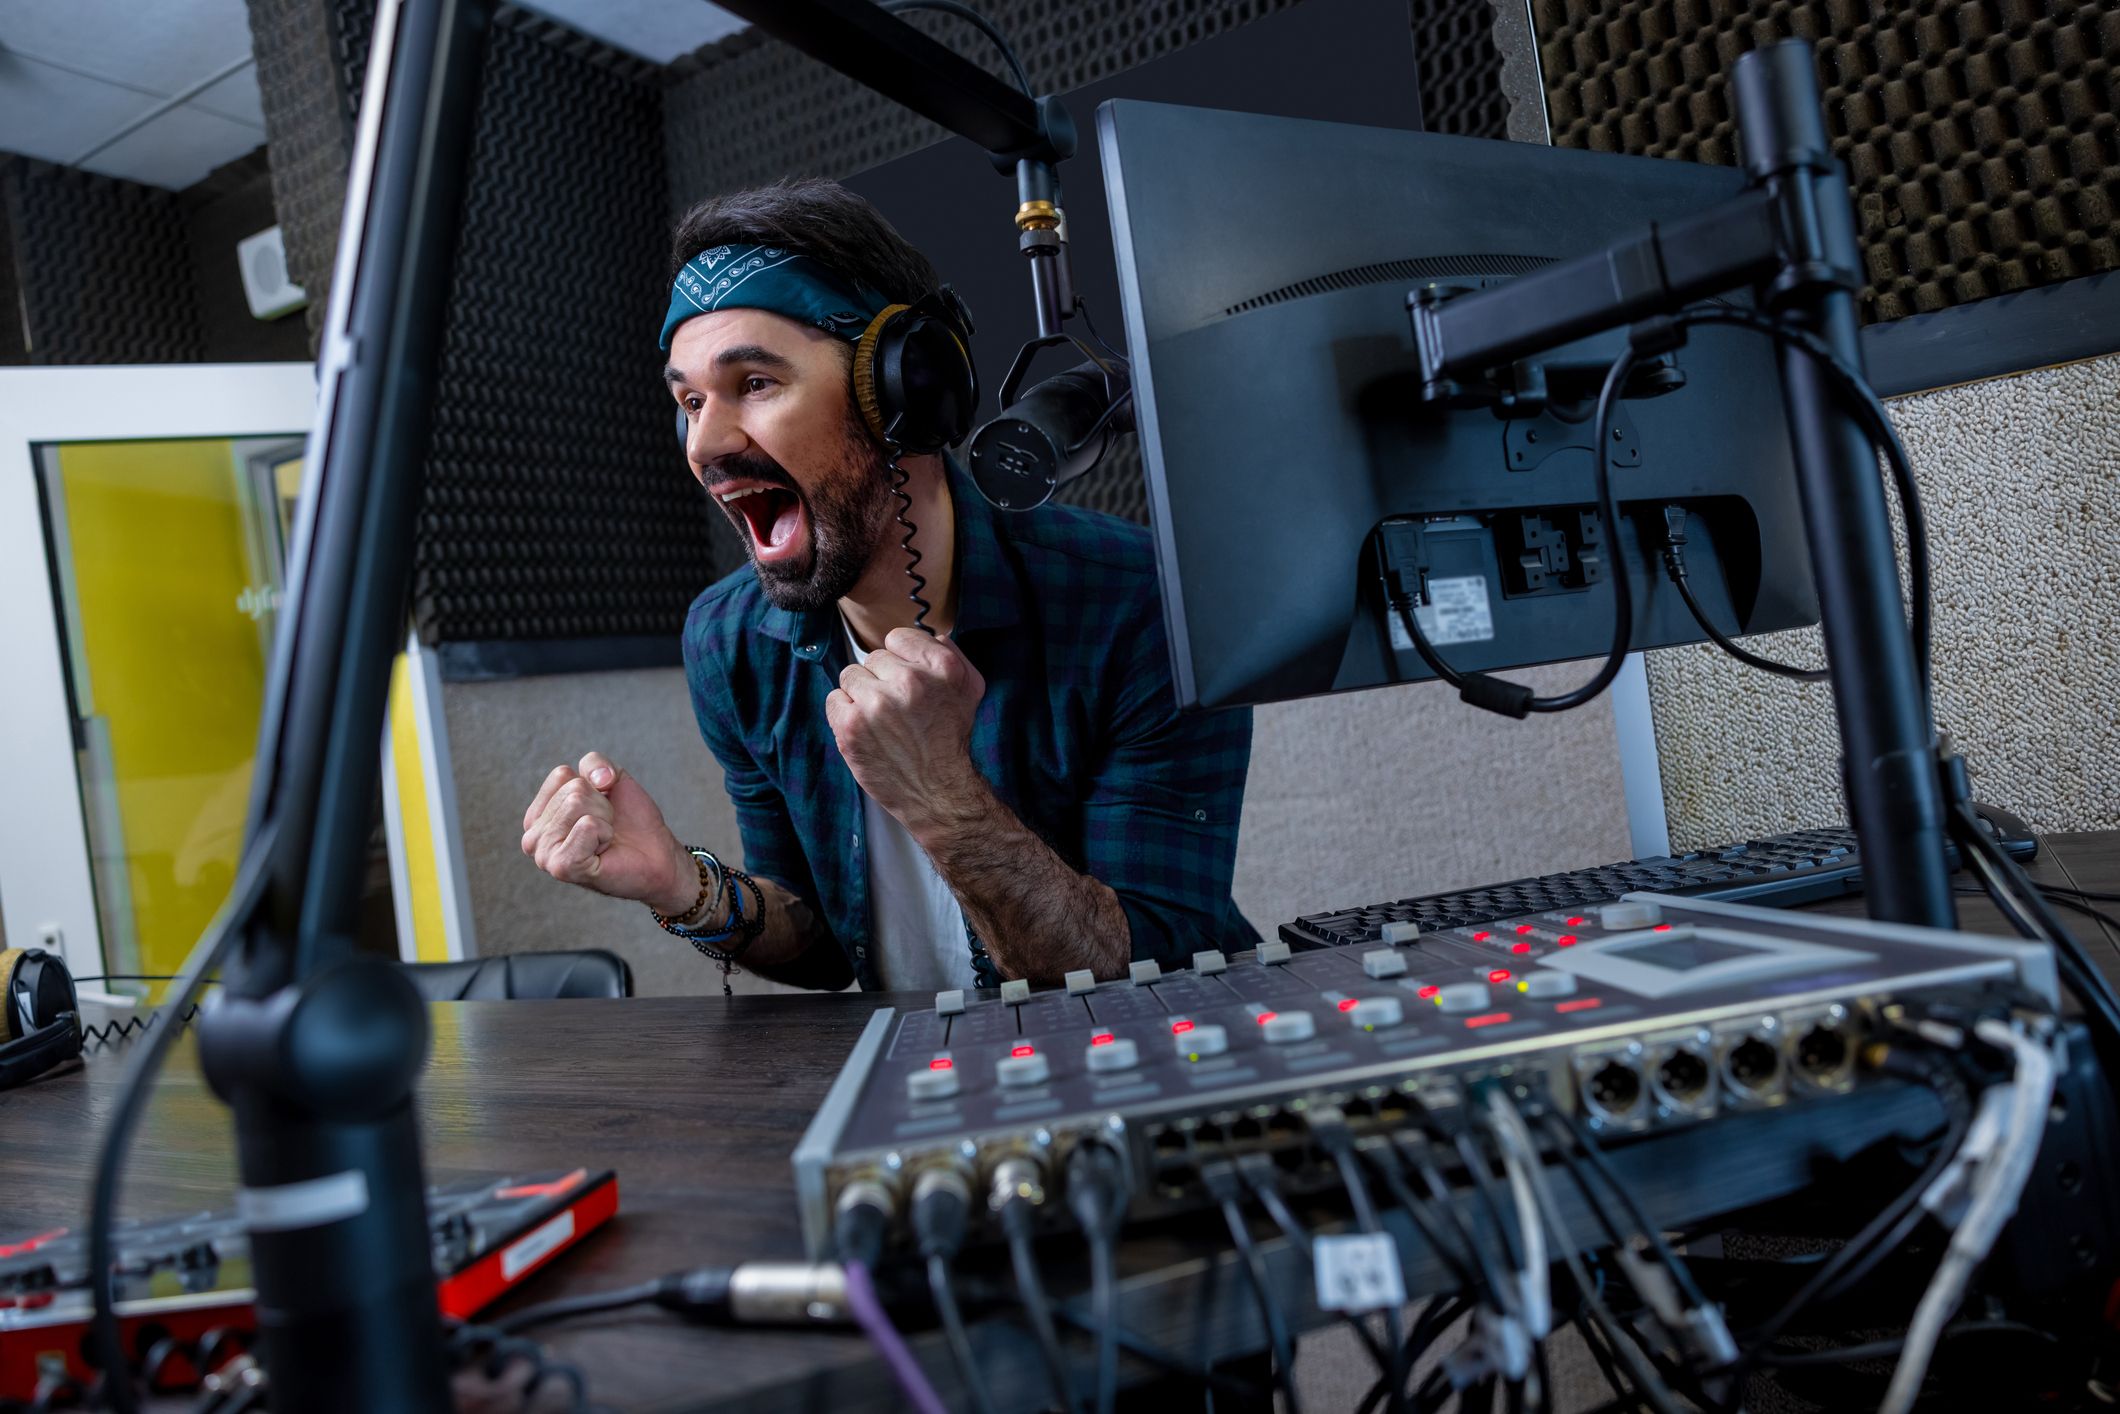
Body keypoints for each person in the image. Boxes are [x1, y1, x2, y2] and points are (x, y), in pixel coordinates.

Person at [520, 178, 1258, 991]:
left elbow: (1159, 966)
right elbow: (826, 941)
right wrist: (683, 888)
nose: (707, 442)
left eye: (754, 384)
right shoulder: (726, 641)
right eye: (690, 401)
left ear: (906, 393)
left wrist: (943, 795)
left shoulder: (1135, 600)